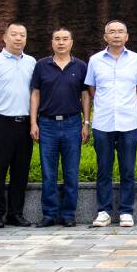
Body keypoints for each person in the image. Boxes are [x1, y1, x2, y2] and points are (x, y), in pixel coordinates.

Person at [84, 20, 137, 229]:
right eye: (112, 32)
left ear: (127, 36)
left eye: (121, 31)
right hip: (103, 122)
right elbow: (91, 89)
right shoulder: (95, 60)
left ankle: (126, 211)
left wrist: (126, 105)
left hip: (128, 122)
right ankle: (103, 211)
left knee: (127, 169)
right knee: (104, 169)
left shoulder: (136, 59)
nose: (116, 35)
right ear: (105, 37)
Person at [29, 27, 90, 228]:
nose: (61, 42)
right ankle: (49, 215)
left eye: (65, 39)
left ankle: (68, 215)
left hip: (73, 123)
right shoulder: (41, 65)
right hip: (47, 124)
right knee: (49, 172)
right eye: (57, 39)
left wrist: (86, 122)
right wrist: (34, 122)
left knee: (71, 172)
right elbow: (35, 94)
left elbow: (85, 95)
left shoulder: (80, 66)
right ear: (52, 42)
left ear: (71, 42)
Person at [0, 21, 38, 228]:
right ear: (5, 37)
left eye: (22, 35)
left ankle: (15, 213)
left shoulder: (31, 62)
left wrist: (34, 122)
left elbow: (34, 93)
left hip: (24, 123)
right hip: (2, 122)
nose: (18, 38)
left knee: (21, 170)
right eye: (14, 34)